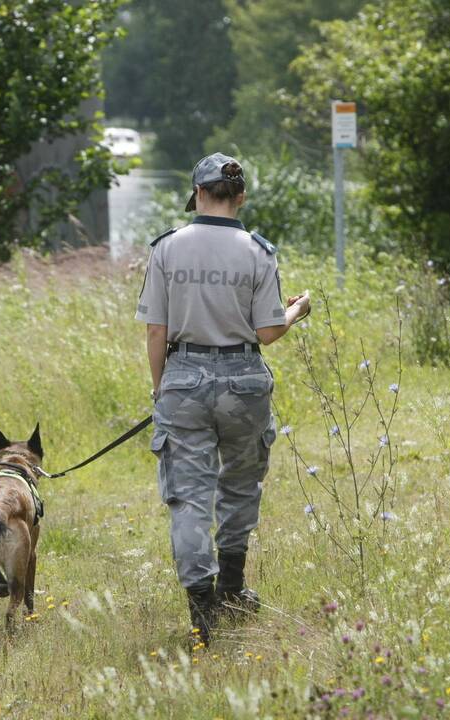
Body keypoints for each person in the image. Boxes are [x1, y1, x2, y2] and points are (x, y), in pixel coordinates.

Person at [135, 152, 311, 645]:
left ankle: (202, 608)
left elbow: (155, 330)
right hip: (244, 379)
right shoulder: (258, 252)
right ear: (241, 198)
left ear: (196, 194)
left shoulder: (167, 249)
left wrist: (160, 388)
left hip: (184, 378)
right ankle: (233, 586)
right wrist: (299, 310)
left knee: (189, 496)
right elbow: (269, 331)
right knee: (238, 487)